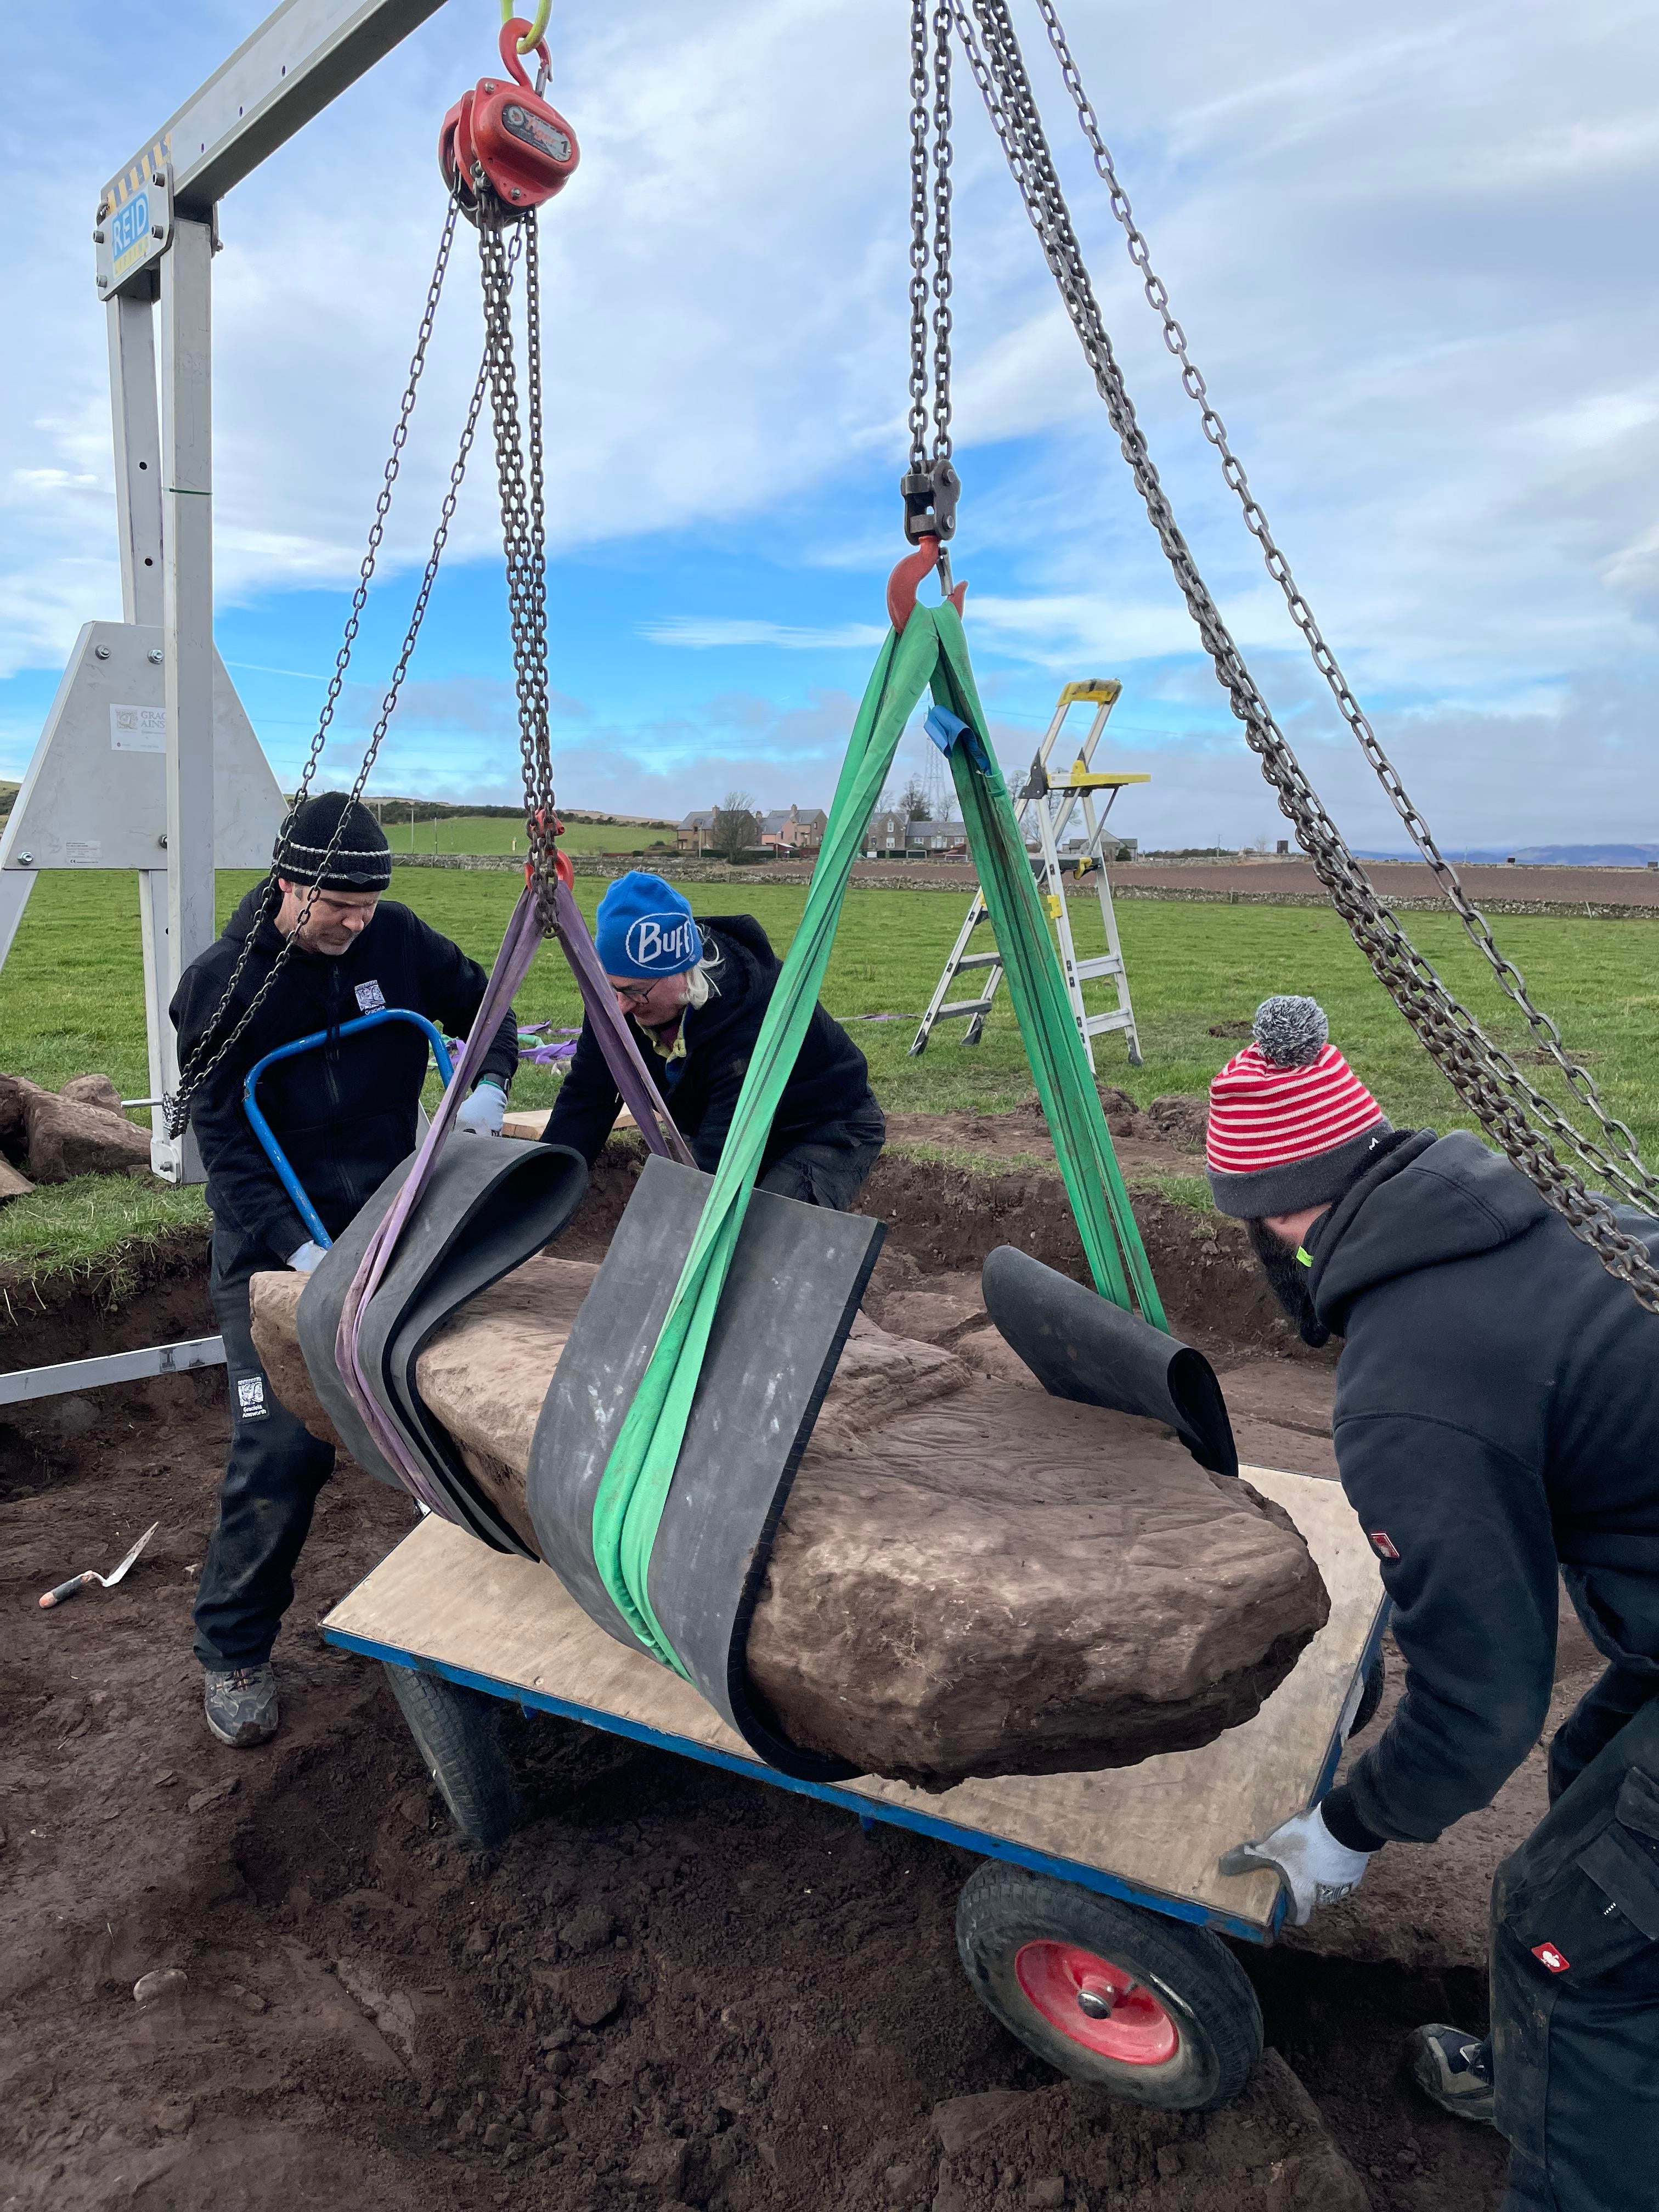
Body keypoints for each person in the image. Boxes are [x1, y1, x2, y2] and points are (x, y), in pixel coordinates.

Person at [1210, 994, 1659, 2212]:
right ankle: (1572, 2079)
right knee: (1595, 1771)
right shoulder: (1535, 1210)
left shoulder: (1410, 1383)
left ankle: (1583, 2137)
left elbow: (1482, 1697)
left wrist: (1346, 1830)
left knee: (1562, 1938)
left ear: (1273, 1219)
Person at [171, 793, 518, 1750]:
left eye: (368, 909)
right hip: (275, 1247)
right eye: (338, 908)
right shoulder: (224, 985)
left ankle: (486, 1608)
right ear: (289, 883)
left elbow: (485, 1007)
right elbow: (228, 1145)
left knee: (450, 1405)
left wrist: (487, 1084)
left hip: (388, 1222)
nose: (355, 925)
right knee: (284, 1447)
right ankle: (233, 1648)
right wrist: (299, 1255)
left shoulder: (396, 941)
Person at [540, 871, 884, 1208]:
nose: (621, 1005)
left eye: (635, 992)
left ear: (681, 972)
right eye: (611, 987)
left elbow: (722, 1151)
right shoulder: (619, 997)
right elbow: (588, 1093)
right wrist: (543, 1183)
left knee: (760, 1237)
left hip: (820, 1126)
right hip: (713, 1118)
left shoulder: (748, 1013)